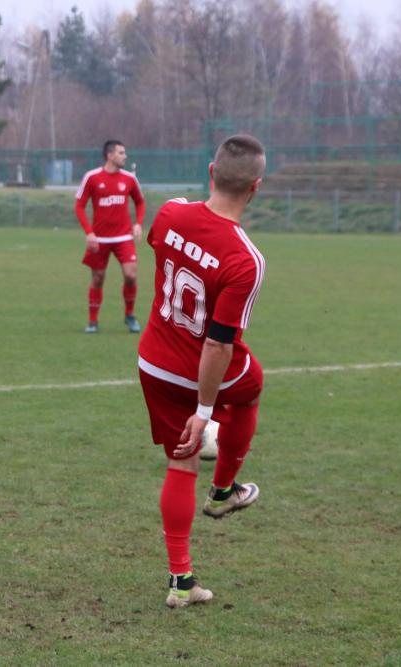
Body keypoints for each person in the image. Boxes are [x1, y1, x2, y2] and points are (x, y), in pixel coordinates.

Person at [137, 134, 267, 608]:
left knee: (180, 461)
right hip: (197, 371)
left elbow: (161, 248)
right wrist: (205, 408)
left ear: (211, 173)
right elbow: (217, 341)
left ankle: (182, 581)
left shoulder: (170, 211)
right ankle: (224, 489)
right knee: (251, 387)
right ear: (256, 187)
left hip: (153, 362)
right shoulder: (245, 259)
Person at [75, 140, 145, 333]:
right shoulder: (92, 177)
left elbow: (140, 202)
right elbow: (79, 206)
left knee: (131, 275)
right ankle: (93, 321)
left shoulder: (129, 179)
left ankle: (129, 316)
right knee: (97, 278)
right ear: (110, 155)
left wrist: (138, 223)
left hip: (123, 238)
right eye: (121, 153)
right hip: (100, 239)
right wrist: (89, 233)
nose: (125, 156)